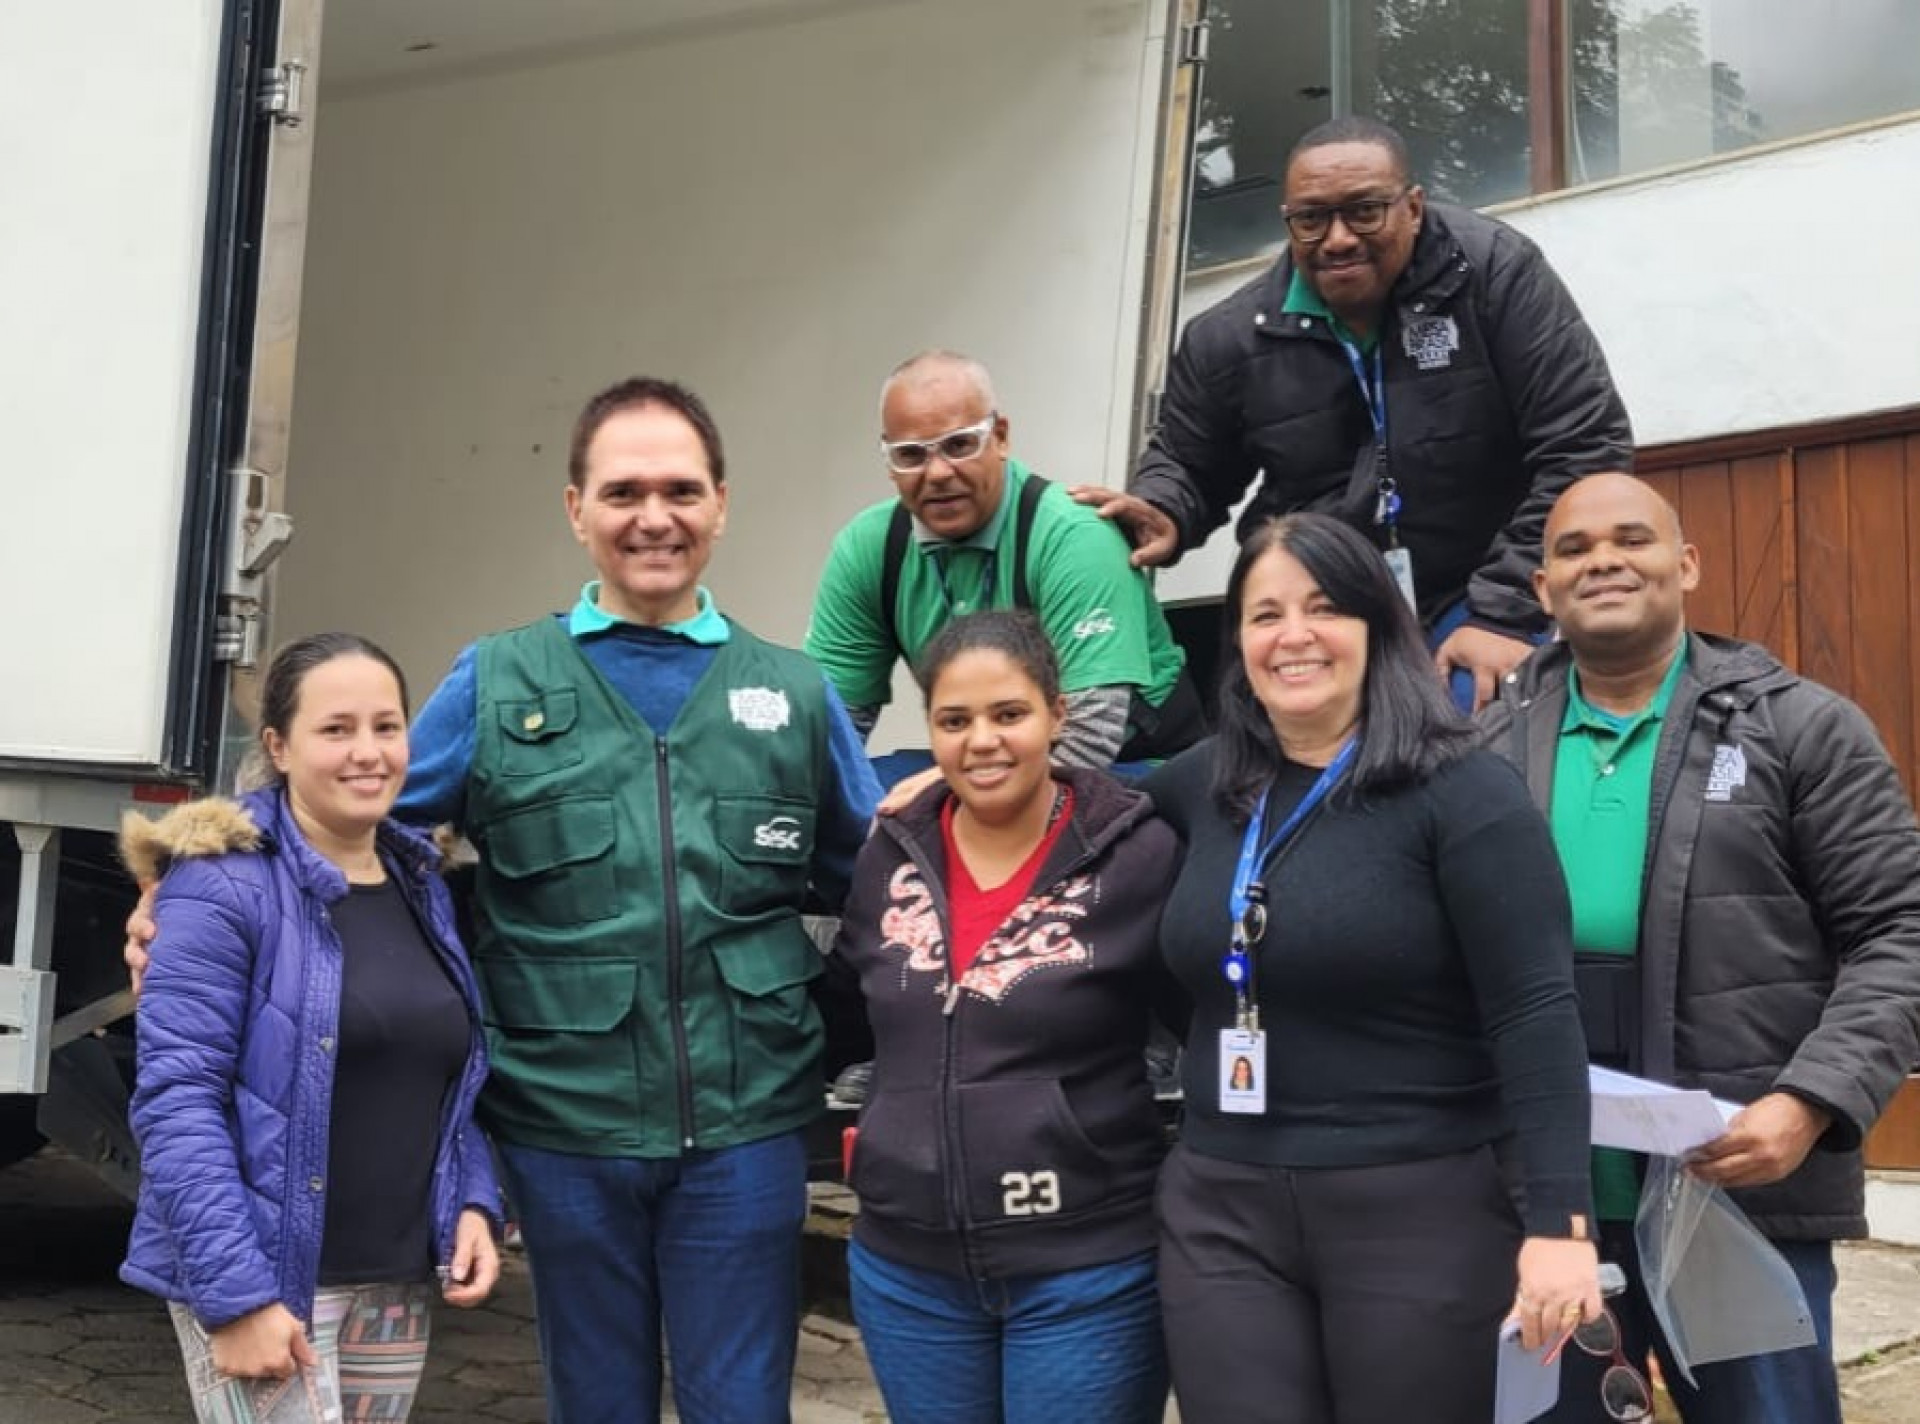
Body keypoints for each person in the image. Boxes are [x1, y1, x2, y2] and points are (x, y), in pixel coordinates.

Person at [128, 378, 882, 1423]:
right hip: (563, 1126)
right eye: (622, 492)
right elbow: (345, 812)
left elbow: (889, 883)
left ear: (720, 503)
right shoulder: (500, 680)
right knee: (596, 1402)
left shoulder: (794, 694)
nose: (653, 517)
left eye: (679, 490)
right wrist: (189, 886)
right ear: (576, 509)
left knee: (744, 1406)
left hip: (747, 1128)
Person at [1480, 473, 1920, 1424]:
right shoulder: (1483, 751)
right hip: (1544, 1210)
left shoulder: (1801, 728)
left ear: (1685, 565)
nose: (1603, 561)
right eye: (1573, 549)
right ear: (1543, 589)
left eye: (1631, 539)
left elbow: (1901, 931)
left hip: (1737, 1199)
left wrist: (1810, 1101)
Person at [1143, 512, 1600, 1421]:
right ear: (1238, 641)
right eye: (1265, 614)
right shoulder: (1196, 785)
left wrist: (1561, 1225)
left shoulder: (1464, 792)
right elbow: (1062, 821)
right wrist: (938, 793)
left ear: (1378, 626)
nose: (1294, 635)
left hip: (1418, 1207)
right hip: (1222, 1210)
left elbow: (1537, 1013)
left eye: (1324, 608)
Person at [1078, 115, 1633, 712]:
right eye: (1311, 219)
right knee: (1284, 751)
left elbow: (1585, 446)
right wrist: (1164, 507)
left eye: (1365, 211)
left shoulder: (1496, 273)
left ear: (1413, 208)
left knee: (1478, 718)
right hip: (1322, 602)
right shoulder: (1229, 336)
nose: (1338, 238)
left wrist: (1504, 611)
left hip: (1481, 586)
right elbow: (1187, 461)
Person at [120, 633, 501, 1424]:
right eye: (335, 729)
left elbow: (441, 1071)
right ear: (278, 747)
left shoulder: (420, 882)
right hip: (270, 1282)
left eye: (386, 727)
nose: (367, 752)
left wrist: (473, 1198)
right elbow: (176, 1102)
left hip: (394, 1281)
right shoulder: (220, 885)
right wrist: (236, 1298)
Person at [830, 610, 1180, 1423]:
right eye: (954, 721)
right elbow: (852, 1008)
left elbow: (1201, 1014)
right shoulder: (890, 853)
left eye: (1009, 713)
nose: (982, 741)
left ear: (1057, 714)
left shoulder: (1137, 852)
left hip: (1087, 1268)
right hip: (907, 1272)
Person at [806, 350, 1204, 773]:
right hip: (980, 765)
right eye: (911, 455)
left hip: (1126, 763)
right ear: (889, 462)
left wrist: (961, 803)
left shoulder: (1075, 536)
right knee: (872, 796)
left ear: (1000, 437)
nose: (937, 473)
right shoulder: (868, 547)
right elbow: (829, 733)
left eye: (959, 445)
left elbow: (1089, 739)